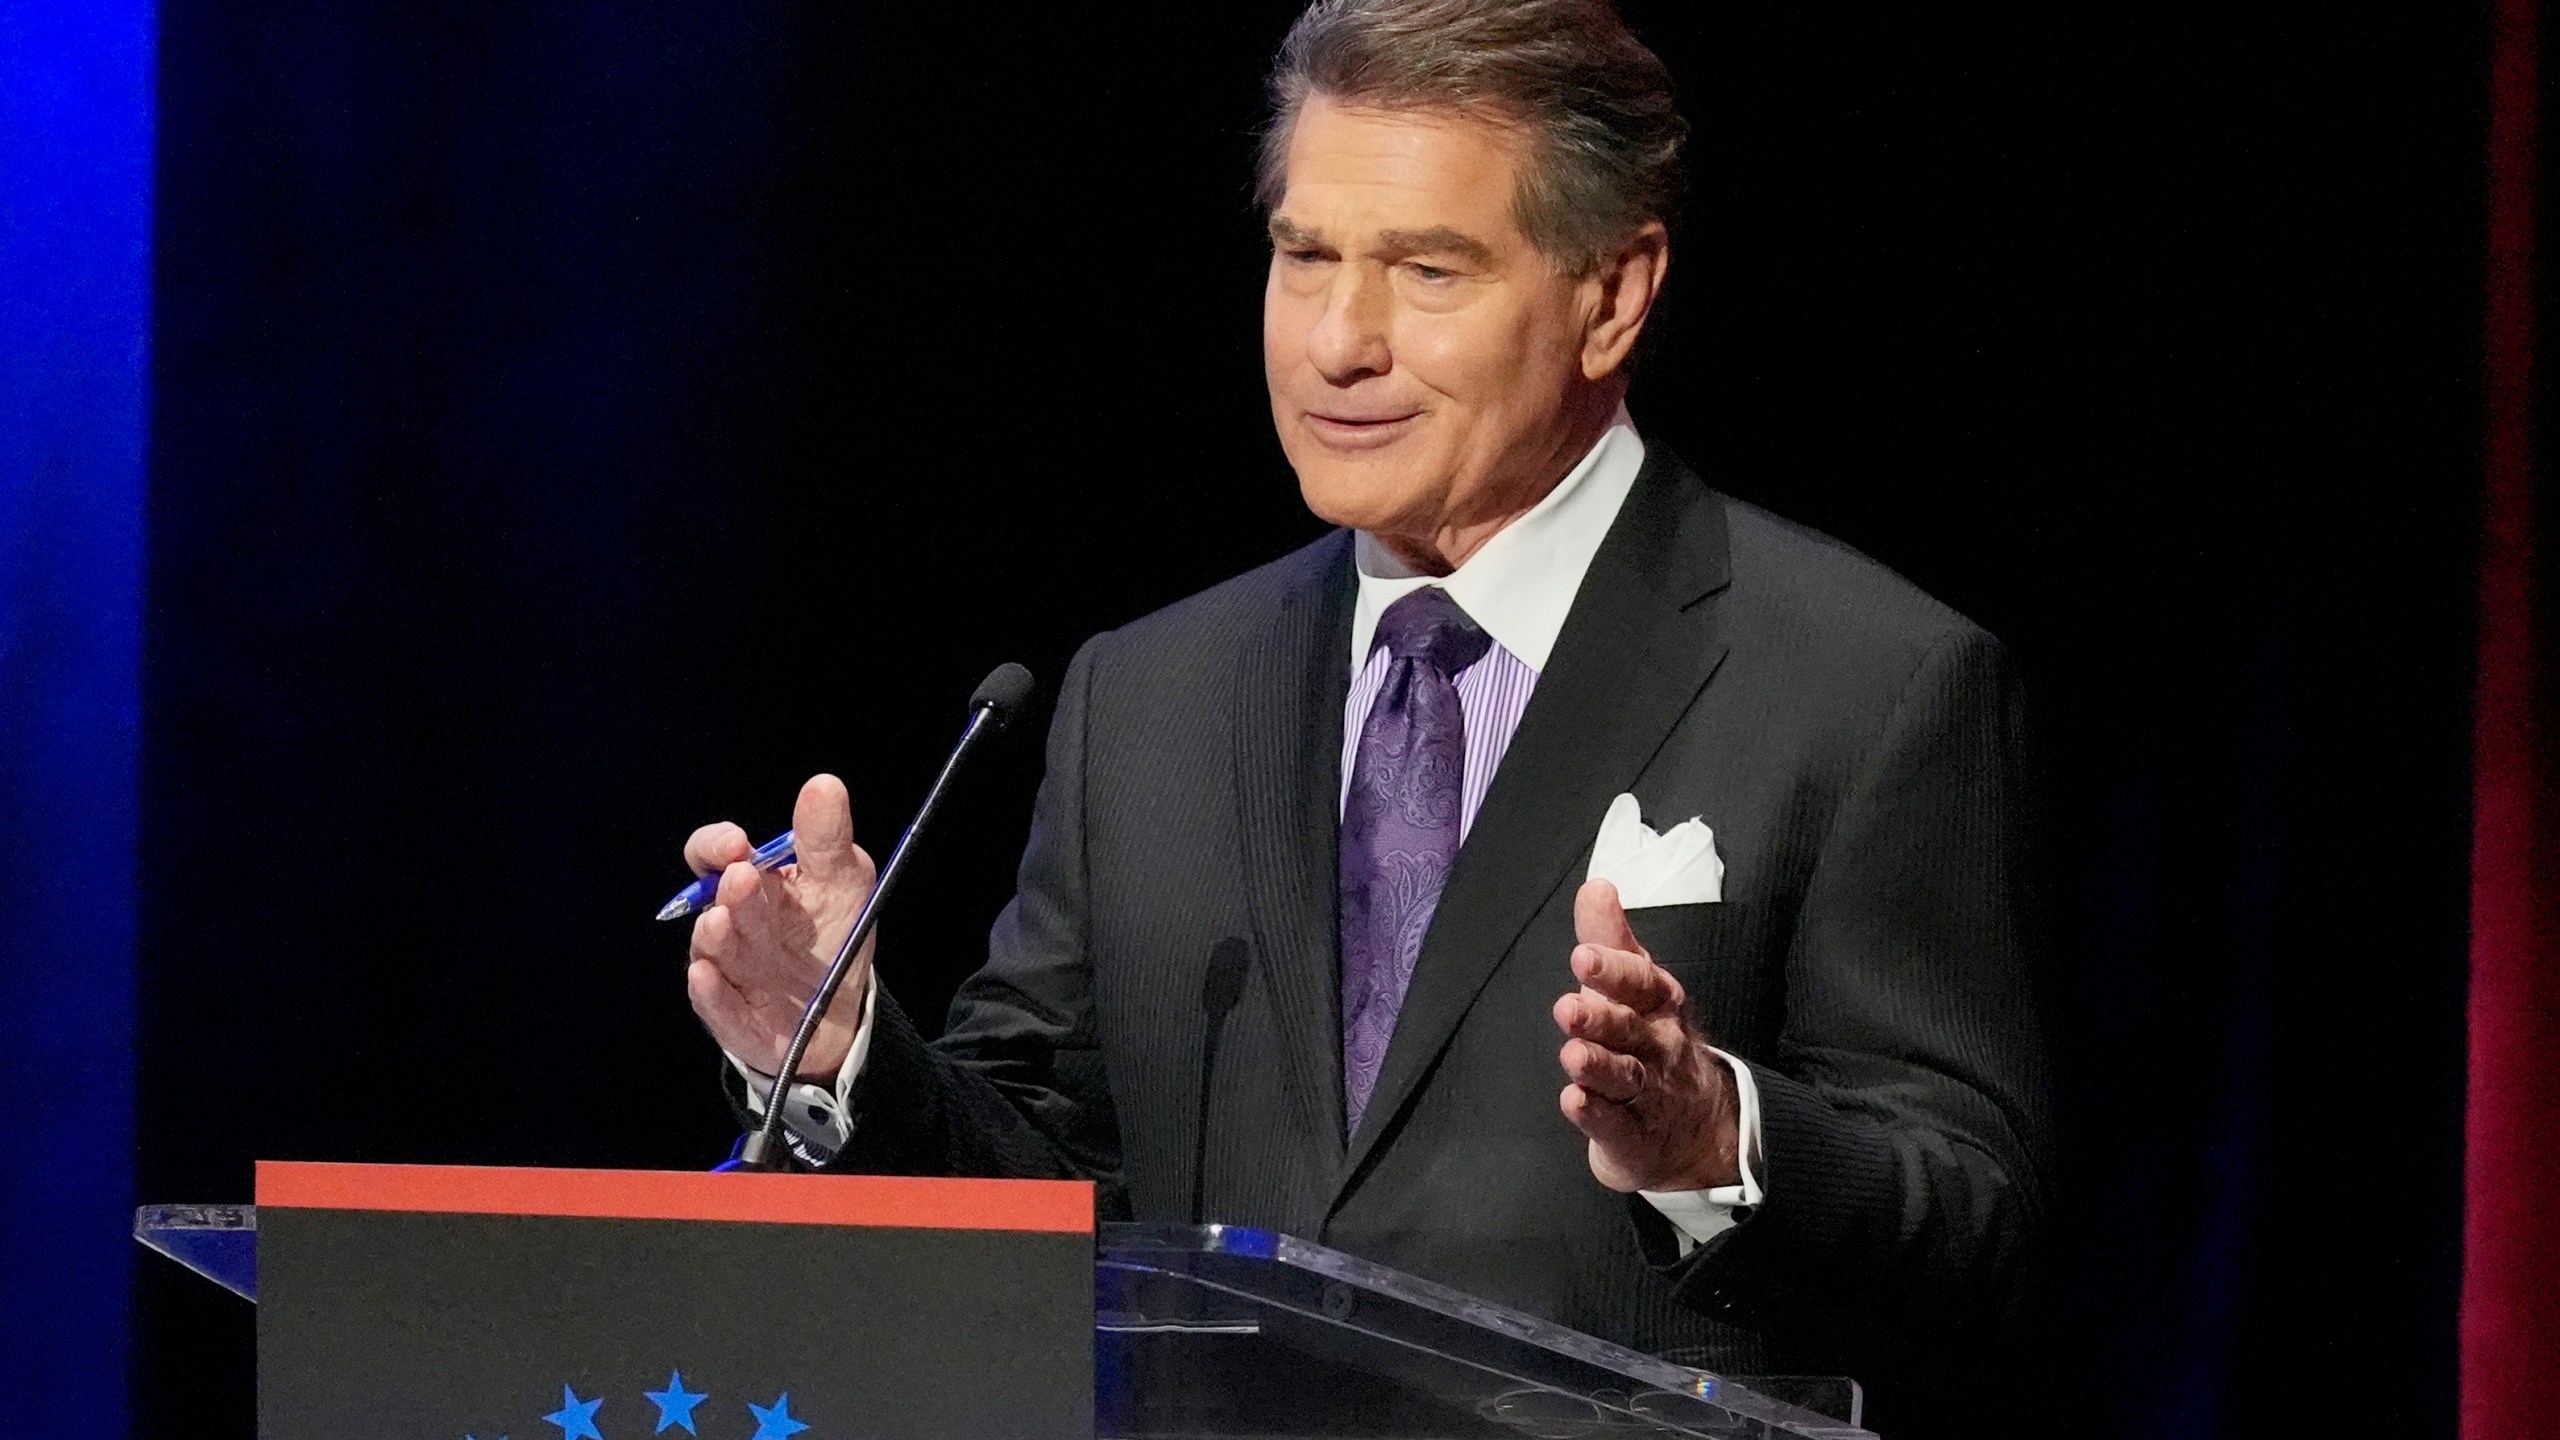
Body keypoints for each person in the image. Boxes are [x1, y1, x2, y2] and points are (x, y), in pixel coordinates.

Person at [679, 0, 2049, 1419]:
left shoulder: (1866, 683)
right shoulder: (1148, 698)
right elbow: (1049, 1199)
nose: (1340, 340)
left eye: (1429, 270)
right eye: (1305, 256)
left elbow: (1976, 1234)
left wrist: (1718, 1134)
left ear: (1613, 295)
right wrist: (844, 1054)